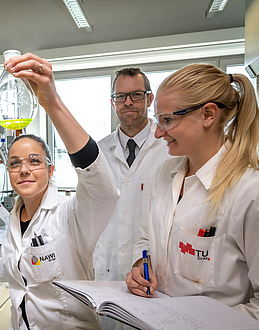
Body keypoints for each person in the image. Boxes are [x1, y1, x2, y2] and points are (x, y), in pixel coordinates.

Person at [126, 63, 259, 328]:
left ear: (208, 114)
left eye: (167, 120)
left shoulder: (256, 194)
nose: (157, 132)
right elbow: (146, 236)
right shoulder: (164, 174)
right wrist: (141, 264)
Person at [0, 53, 119, 329]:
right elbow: (21, 271)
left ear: (51, 171)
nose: (24, 169)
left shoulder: (69, 215)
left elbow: (103, 190)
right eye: (15, 163)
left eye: (34, 161)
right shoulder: (15, 217)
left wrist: (52, 104)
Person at [93, 68, 170, 284]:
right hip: (106, 269)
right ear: (113, 102)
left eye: (136, 95)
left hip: (153, 272)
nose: (128, 102)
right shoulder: (99, 151)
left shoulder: (170, 148)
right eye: (120, 96)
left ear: (149, 99)